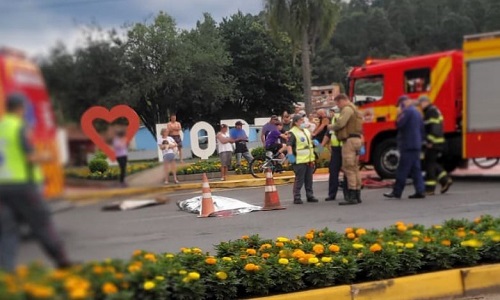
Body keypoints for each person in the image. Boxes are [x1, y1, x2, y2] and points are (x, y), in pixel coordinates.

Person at [0, 93, 72, 272]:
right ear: (20, 108)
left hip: (3, 187)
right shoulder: (19, 126)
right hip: (23, 185)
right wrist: (47, 156)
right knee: (42, 224)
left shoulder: (1, 127)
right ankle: (63, 262)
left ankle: (6, 274)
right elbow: (30, 156)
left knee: (7, 232)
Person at [384, 95, 426, 199]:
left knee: (402, 169)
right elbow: (422, 129)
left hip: (407, 145)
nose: (399, 107)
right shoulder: (417, 112)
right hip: (416, 144)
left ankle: (397, 192)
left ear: (403, 103)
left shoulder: (407, 112)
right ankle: (420, 190)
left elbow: (399, 125)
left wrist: (398, 115)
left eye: (399, 105)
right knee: (416, 169)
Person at [332, 94, 363, 205]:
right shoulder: (355, 110)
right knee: (355, 168)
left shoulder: (347, 109)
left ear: (342, 101)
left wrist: (331, 127)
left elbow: (341, 123)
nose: (338, 106)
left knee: (348, 168)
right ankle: (358, 194)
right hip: (357, 140)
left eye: (338, 103)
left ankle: (352, 196)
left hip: (349, 141)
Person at [417, 96, 453, 195]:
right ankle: (445, 180)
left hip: (434, 142)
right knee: (431, 162)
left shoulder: (431, 112)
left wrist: (429, 141)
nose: (420, 106)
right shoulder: (433, 110)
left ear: (425, 102)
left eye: (421, 104)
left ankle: (430, 189)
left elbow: (435, 128)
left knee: (429, 165)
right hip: (437, 141)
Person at [286, 114, 319, 204]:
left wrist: (316, 145)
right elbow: (289, 145)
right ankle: (297, 197)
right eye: (301, 121)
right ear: (296, 122)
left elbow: (309, 141)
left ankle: (310, 195)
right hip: (298, 160)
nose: (303, 122)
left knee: (309, 179)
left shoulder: (306, 130)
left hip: (308, 159)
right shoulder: (292, 132)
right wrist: (290, 156)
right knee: (299, 179)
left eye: (303, 121)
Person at [322, 106, 344, 201]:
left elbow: (327, 136)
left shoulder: (335, 119)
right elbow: (328, 134)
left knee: (334, 172)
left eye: (332, 112)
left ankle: (332, 195)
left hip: (340, 149)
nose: (331, 114)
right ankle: (349, 194)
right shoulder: (337, 119)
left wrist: (319, 150)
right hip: (342, 148)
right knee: (347, 171)